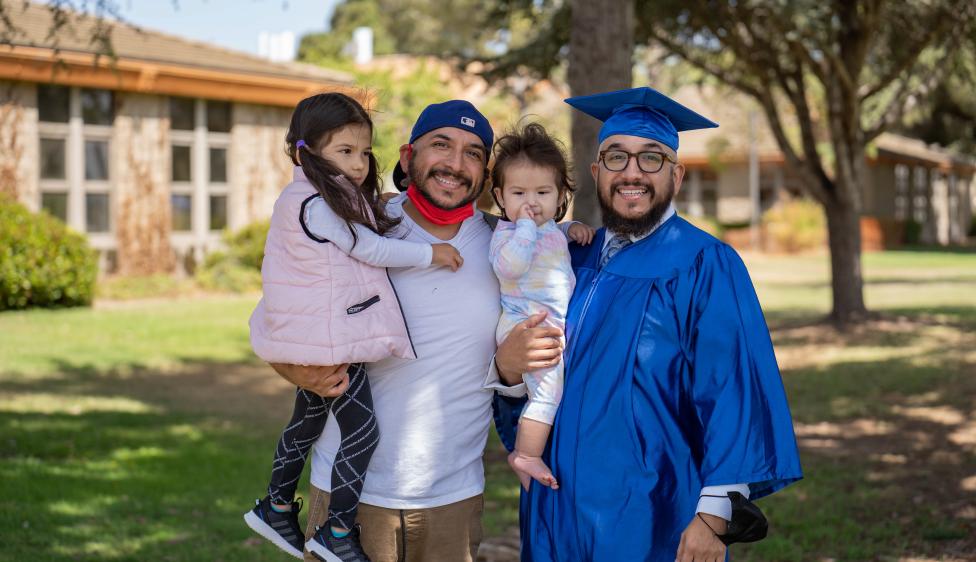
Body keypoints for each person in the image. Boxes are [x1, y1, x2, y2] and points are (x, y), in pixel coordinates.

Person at [492, 86, 803, 562]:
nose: (632, 172)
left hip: (654, 515)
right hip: (558, 505)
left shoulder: (704, 263)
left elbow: (732, 393)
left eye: (651, 158)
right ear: (597, 172)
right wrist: (508, 371)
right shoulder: (565, 256)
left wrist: (713, 518)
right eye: (616, 157)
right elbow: (531, 363)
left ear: (677, 175)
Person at [271, 99, 508, 562]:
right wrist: (293, 370)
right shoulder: (357, 223)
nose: (456, 164)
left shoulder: (508, 246)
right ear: (406, 157)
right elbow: (281, 312)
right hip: (351, 497)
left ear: (485, 171)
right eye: (441, 145)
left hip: (452, 498)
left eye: (474, 153)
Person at [488, 122, 594, 491]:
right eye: (518, 193)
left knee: (551, 390)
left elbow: (553, 235)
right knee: (548, 393)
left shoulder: (549, 227)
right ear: (500, 196)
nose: (530, 203)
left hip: (542, 322)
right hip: (524, 326)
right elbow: (511, 266)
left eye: (543, 192)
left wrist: (572, 227)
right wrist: (526, 229)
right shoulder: (506, 235)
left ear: (561, 193)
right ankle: (525, 454)